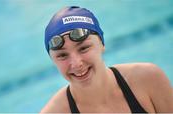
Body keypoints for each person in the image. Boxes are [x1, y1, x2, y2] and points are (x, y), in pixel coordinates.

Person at [40, 6, 173, 113]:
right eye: (62, 55)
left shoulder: (148, 79)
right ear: (53, 60)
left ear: (102, 44)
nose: (76, 63)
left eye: (83, 48)